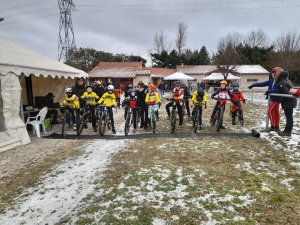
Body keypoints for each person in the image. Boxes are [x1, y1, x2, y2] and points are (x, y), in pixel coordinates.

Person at [248, 67, 281, 131]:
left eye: (274, 73)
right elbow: (263, 84)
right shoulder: (271, 80)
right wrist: (253, 85)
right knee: (275, 112)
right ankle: (276, 126)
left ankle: (273, 126)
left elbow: (278, 90)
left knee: (270, 111)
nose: (273, 75)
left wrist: (268, 91)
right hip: (273, 98)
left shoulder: (279, 81)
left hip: (277, 99)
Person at [274, 69, 297, 137]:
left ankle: (288, 131)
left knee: (289, 117)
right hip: (290, 101)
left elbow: (286, 94)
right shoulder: (286, 80)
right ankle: (286, 130)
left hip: (288, 102)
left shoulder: (282, 83)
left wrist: (281, 98)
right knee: (289, 117)